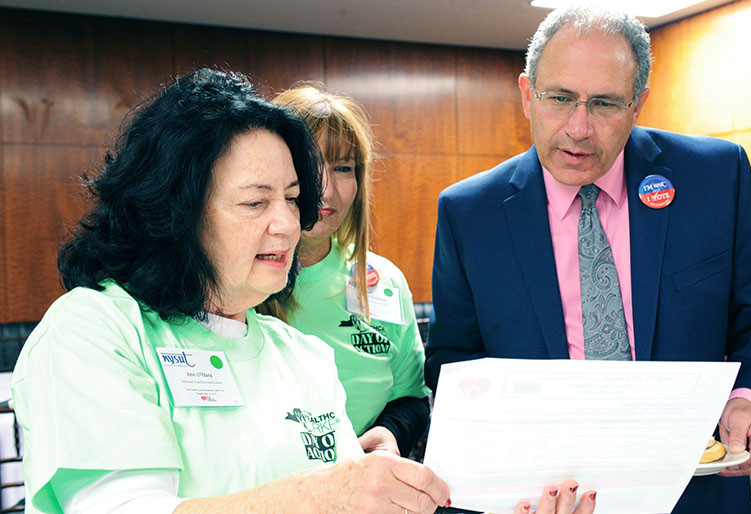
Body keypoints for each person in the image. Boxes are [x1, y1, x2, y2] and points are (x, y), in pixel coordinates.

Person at [10, 68, 454, 514]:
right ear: (176, 212)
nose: (288, 225)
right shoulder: (94, 330)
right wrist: (321, 497)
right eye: (255, 203)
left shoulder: (302, 355)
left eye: (292, 198)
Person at [425, 5, 751, 514]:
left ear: (638, 103)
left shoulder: (715, 178)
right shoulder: (470, 212)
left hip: (694, 490)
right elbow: (454, 360)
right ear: (528, 94)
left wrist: (750, 399)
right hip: (544, 498)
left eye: (604, 104)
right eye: (559, 99)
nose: (579, 128)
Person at [259, 84, 431, 458]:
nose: (326, 190)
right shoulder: (232, 283)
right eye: (308, 165)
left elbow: (412, 398)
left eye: (343, 168)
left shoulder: (383, 282)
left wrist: (390, 434)